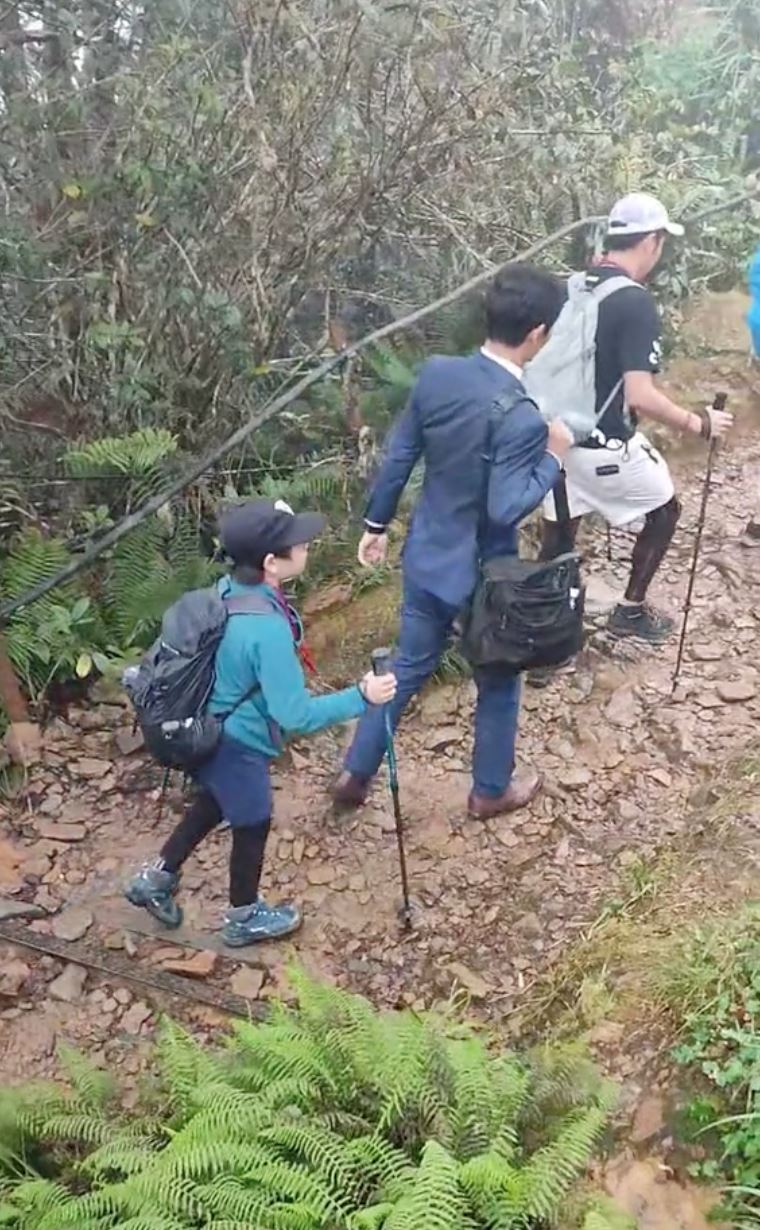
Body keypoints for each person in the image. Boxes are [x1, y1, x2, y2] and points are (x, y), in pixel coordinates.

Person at [332, 263, 574, 821]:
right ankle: (490, 791)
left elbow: (400, 455)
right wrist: (553, 457)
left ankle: (355, 772)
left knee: (407, 666)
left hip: (427, 556)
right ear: (538, 333)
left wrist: (375, 526)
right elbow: (506, 507)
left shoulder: (437, 375)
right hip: (483, 578)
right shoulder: (523, 418)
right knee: (499, 678)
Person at [125, 498, 397, 946]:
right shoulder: (266, 630)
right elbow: (295, 715)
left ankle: (154, 880)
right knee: (253, 821)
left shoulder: (229, 592)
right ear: (271, 562)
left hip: (206, 728)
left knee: (213, 802)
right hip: (238, 743)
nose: (306, 545)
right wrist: (362, 697)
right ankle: (243, 917)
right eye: (298, 542)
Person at [534, 192, 733, 669]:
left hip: (551, 441)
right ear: (651, 241)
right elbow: (640, 394)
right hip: (603, 444)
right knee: (665, 510)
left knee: (559, 537)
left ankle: (544, 645)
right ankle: (630, 610)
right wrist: (699, 423)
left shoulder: (573, 285)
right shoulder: (634, 301)